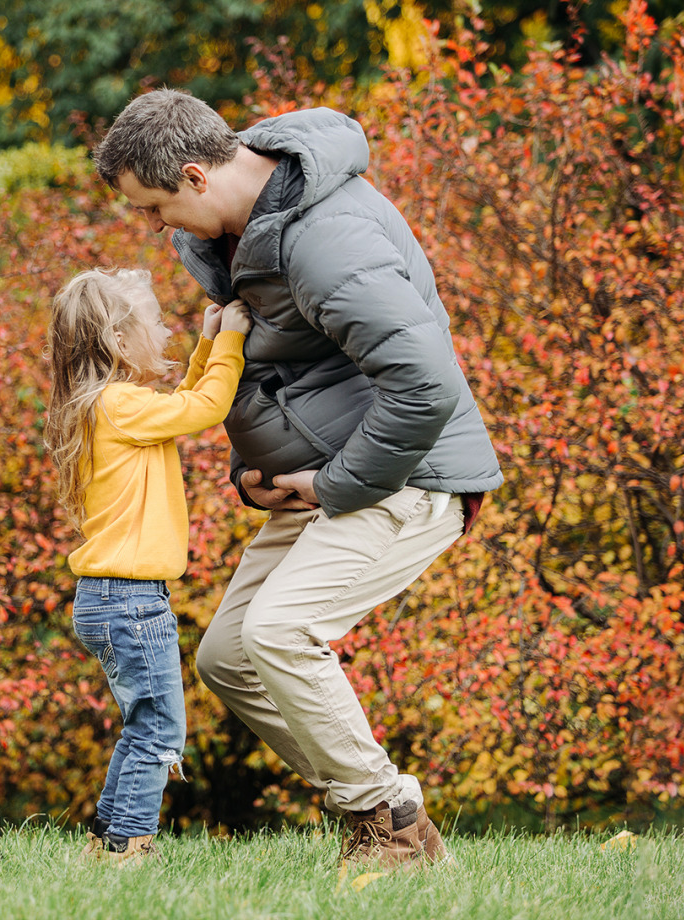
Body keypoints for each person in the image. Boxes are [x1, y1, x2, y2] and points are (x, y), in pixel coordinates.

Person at [92, 90, 504, 874]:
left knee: (278, 633)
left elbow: (425, 387)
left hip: (409, 475)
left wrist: (333, 486)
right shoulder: (242, 226)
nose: (153, 228)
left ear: (193, 174)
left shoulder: (327, 241)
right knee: (228, 657)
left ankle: (388, 827)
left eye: (153, 207)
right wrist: (256, 476)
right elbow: (284, 369)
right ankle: (385, 809)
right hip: (329, 475)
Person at [44, 269, 250, 866]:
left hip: (109, 597)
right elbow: (205, 405)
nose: (165, 332)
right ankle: (131, 847)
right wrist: (232, 338)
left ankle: (107, 842)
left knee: (143, 722)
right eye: (154, 323)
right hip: (131, 598)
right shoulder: (121, 405)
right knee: (159, 730)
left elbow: (180, 402)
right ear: (116, 339)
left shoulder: (107, 407)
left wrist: (209, 344)